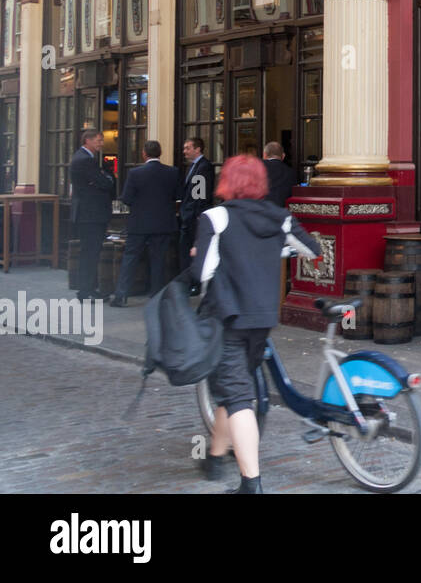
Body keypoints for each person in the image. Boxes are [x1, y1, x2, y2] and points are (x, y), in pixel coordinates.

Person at [189, 154, 321, 494]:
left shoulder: (214, 217)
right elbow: (312, 249)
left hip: (226, 317)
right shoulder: (279, 217)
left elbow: (201, 274)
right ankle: (215, 457)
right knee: (231, 388)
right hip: (262, 318)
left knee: (237, 398)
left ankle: (252, 483)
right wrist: (276, 251)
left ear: (227, 182)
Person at [111, 141, 181, 306]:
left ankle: (121, 295)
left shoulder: (135, 173)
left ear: (144, 154)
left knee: (130, 258)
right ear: (160, 153)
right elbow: (178, 195)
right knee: (158, 260)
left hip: (139, 223)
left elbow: (126, 198)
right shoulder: (172, 172)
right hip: (163, 222)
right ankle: (156, 295)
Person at [69, 128, 116, 302]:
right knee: (90, 252)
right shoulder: (84, 160)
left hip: (89, 214)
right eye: (98, 140)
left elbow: (99, 181)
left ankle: (89, 288)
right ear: (87, 140)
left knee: (91, 252)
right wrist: (107, 179)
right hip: (90, 215)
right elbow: (104, 182)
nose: (101, 143)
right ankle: (85, 290)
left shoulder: (86, 159)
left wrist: (101, 181)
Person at [177, 136, 216, 280]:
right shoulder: (193, 166)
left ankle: (193, 282)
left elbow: (199, 195)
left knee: (192, 251)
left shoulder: (203, 167)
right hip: (189, 215)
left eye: (188, 148)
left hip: (193, 217)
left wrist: (192, 215)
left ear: (197, 149)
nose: (184, 151)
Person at [262, 141, 295, 207]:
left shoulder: (257, 168)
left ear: (264, 154)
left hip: (258, 211)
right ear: (283, 156)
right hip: (281, 211)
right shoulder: (291, 172)